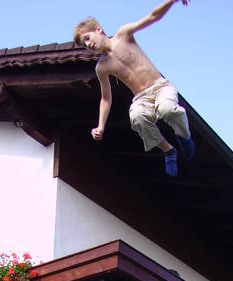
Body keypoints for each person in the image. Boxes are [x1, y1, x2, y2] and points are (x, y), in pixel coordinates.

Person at [73, 0, 195, 177]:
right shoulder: (102, 67)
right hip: (141, 98)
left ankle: (184, 136)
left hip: (160, 87)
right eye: (85, 46)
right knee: (136, 117)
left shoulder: (124, 34)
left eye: (87, 38)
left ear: (98, 29)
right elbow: (106, 98)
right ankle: (168, 150)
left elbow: (153, 17)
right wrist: (100, 126)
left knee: (167, 109)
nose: (88, 45)